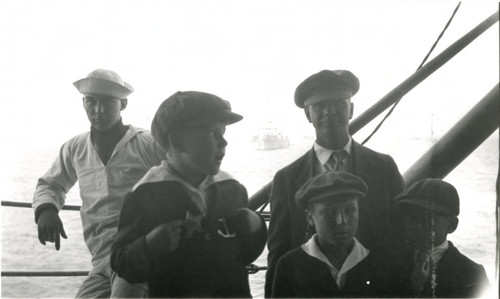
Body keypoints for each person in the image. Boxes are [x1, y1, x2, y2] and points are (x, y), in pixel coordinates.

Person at [110, 91, 267, 298]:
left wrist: (255, 226)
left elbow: (244, 255)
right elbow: (121, 263)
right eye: (213, 133)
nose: (223, 143)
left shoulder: (232, 189)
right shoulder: (146, 195)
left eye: (223, 133)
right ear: (178, 141)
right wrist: (148, 246)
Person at [265, 69, 406, 296]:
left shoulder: (384, 168)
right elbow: (278, 253)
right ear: (308, 114)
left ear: (351, 109)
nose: (329, 111)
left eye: (339, 103)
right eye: (320, 106)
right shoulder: (287, 179)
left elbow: (402, 236)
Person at [32, 69, 165, 298]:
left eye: (107, 102)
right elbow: (50, 184)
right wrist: (47, 210)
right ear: (83, 103)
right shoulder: (75, 148)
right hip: (102, 261)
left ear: (123, 104)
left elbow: (185, 173)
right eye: (91, 102)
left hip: (140, 255)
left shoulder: (146, 143)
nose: (98, 110)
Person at [272, 171, 391, 298]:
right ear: (310, 216)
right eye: (329, 213)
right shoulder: (290, 266)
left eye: (350, 210)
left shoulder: (378, 265)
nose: (341, 221)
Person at [391, 178, 490, 298]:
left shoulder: (472, 274)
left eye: (427, 218)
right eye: (411, 217)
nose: (417, 225)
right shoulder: (385, 260)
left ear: (452, 225)